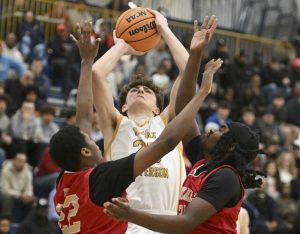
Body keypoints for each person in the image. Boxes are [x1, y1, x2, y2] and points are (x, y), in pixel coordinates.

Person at [51, 21, 217, 234]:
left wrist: (164, 29)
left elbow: (188, 68)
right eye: (134, 90)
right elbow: (95, 74)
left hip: (168, 220)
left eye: (147, 91)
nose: (140, 90)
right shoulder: (116, 123)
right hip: (126, 221)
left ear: (158, 108)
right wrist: (121, 44)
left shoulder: (167, 122)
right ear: (124, 106)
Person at [103, 18, 264, 234]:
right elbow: (183, 108)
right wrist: (195, 54)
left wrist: (130, 214)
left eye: (221, 131)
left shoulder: (226, 177)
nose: (211, 130)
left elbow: (186, 223)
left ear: (231, 146)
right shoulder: (203, 160)